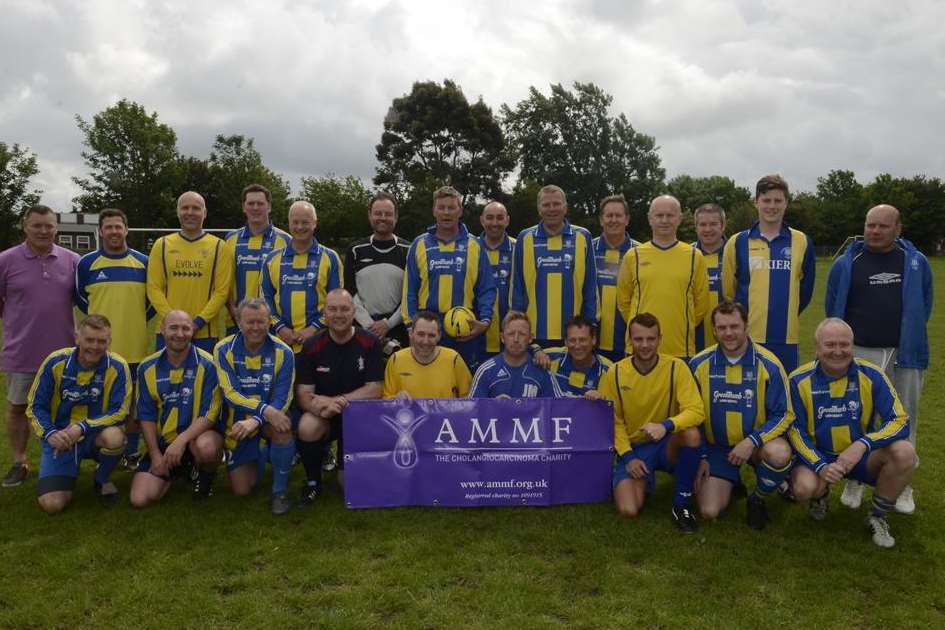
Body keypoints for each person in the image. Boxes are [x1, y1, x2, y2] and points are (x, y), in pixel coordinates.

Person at [826, 204, 931, 515]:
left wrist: (906, 336)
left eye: (882, 226)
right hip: (859, 352)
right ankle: (856, 479)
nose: (874, 231)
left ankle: (903, 484)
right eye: (870, 225)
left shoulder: (916, 262)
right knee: (856, 416)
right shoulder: (847, 262)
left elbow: (924, 304)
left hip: (904, 353)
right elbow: (833, 305)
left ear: (898, 229)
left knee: (905, 417)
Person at [788, 318, 916, 548]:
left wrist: (863, 444)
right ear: (817, 347)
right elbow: (795, 432)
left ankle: (877, 516)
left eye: (844, 344)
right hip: (819, 457)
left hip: (861, 457)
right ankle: (820, 497)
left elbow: (899, 420)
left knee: (905, 453)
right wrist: (820, 465)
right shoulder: (798, 380)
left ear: (852, 345)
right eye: (830, 345)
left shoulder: (872, 374)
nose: (838, 351)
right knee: (803, 488)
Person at [689, 302, 794, 530]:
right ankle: (731, 479)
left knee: (780, 454)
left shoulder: (770, 364)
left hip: (756, 444)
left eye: (734, 326)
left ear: (746, 326)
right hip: (718, 448)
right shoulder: (698, 365)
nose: (728, 333)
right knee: (708, 511)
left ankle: (758, 498)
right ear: (714, 331)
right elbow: (690, 416)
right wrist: (702, 455)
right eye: (722, 327)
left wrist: (752, 441)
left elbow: (785, 414)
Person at [598, 313, 705, 532]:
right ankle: (644, 480)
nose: (645, 345)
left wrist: (665, 425)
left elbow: (696, 410)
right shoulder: (615, 373)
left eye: (651, 339)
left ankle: (681, 505)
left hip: (667, 443)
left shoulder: (677, 368)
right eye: (639, 339)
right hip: (635, 449)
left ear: (660, 339)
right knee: (628, 510)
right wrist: (627, 457)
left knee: (692, 434)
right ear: (630, 340)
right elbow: (611, 420)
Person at [0, 204, 79, 487]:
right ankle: (20, 461)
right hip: (22, 351)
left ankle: (64, 457)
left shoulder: (72, 260)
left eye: (49, 225)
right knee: (18, 407)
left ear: (56, 228)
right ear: (25, 227)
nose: (44, 231)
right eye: (37, 225)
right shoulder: (6, 260)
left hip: (65, 354)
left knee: (65, 408)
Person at [26, 315, 131, 512]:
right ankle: (65, 469)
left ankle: (102, 479)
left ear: (109, 341)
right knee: (53, 505)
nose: (95, 346)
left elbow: (120, 411)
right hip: (61, 438)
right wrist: (50, 434)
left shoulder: (117, 366)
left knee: (115, 437)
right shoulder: (55, 361)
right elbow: (35, 405)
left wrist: (81, 428)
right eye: (89, 340)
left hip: (94, 435)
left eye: (102, 341)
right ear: (77, 338)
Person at [75, 208, 153, 469]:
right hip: (99, 351)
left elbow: (151, 303)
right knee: (101, 403)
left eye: (118, 227)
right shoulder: (87, 264)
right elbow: (82, 300)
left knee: (133, 407)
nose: (113, 232)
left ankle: (130, 452)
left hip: (135, 348)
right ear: (100, 231)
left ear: (126, 230)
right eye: (108, 227)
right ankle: (105, 452)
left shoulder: (143, 262)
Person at [294, 289, 384, 505]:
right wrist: (321, 408)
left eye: (344, 309)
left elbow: (375, 389)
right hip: (325, 414)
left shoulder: (370, 342)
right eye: (332, 309)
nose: (338, 314)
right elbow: (304, 395)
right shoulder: (311, 346)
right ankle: (313, 482)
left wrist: (340, 400)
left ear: (353, 312)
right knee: (307, 426)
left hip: (358, 417)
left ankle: (347, 466)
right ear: (324, 313)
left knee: (348, 484)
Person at [722, 175, 815, 373]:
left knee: (783, 396)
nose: (772, 206)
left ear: (786, 203)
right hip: (746, 337)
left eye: (778, 200)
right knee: (749, 396)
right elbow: (729, 291)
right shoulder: (737, 242)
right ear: (756, 202)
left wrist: (785, 311)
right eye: (766, 200)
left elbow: (805, 292)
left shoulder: (802, 241)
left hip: (786, 339)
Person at [129, 310, 222, 507]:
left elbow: (209, 414)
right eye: (173, 328)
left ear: (192, 332)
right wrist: (155, 455)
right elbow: (146, 416)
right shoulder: (146, 368)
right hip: (164, 443)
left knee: (208, 447)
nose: (179, 334)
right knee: (140, 499)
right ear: (162, 329)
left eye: (185, 328)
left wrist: (181, 441)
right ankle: (178, 471)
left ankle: (203, 477)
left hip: (195, 438)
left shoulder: (209, 365)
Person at [214, 298, 296, 515]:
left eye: (261, 322)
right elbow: (230, 393)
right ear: (239, 322)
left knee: (283, 427)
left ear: (269, 322)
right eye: (250, 322)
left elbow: (282, 397)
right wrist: (263, 411)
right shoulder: (223, 349)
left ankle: (279, 491)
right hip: (237, 425)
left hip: (265, 420)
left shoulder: (284, 352)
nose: (256, 328)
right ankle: (264, 452)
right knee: (242, 490)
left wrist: (258, 419)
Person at [402, 186, 496, 370]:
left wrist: (484, 322)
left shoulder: (475, 245)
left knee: (464, 384)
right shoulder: (419, 244)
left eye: (451, 207)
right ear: (434, 210)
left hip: (465, 328)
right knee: (429, 382)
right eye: (441, 207)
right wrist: (410, 326)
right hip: (428, 326)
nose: (446, 212)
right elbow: (409, 290)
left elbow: (486, 288)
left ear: (460, 211)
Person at [616, 195, 709, 360]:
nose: (664, 220)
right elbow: (624, 302)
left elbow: (701, 305)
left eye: (670, 215)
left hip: (681, 349)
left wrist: (681, 325)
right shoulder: (634, 255)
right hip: (639, 349)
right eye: (659, 215)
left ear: (679, 219)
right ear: (650, 219)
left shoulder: (695, 256)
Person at [510, 185, 598, 348]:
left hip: (575, 335)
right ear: (539, 209)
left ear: (565, 207)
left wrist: (591, 325)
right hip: (534, 334)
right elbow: (517, 288)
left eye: (556, 204)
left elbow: (590, 287)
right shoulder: (525, 238)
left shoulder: (582, 236)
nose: (552, 209)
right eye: (546, 205)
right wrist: (517, 328)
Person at [147, 191, 232, 353]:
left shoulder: (220, 247)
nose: (190, 212)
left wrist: (197, 322)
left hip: (205, 332)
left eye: (196, 208)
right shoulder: (162, 245)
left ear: (205, 213)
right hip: (167, 331)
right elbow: (153, 288)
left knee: (204, 378)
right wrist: (174, 322)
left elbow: (221, 291)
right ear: (178, 212)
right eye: (185, 208)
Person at [261, 200, 343, 352]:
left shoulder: (330, 257)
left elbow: (337, 301)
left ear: (315, 223)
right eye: (295, 222)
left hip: (320, 340)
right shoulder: (272, 259)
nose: (299, 227)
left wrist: (313, 328)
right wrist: (280, 327)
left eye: (305, 222)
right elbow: (265, 298)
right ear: (289, 223)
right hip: (281, 341)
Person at [344, 191, 410, 348]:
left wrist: (388, 324)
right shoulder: (355, 250)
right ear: (369, 215)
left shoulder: (409, 250)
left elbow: (411, 294)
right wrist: (369, 325)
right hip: (363, 329)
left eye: (388, 214)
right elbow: (349, 291)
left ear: (396, 216)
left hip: (398, 330)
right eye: (378, 213)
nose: (382, 218)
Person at [224, 184, 291, 334]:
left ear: (269, 207)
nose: (255, 208)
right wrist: (232, 309)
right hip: (237, 320)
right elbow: (224, 280)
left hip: (273, 322)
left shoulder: (285, 240)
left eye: (260, 203)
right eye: (251, 203)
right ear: (243, 207)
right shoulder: (230, 239)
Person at [469, 311, 564, 399]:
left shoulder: (542, 371)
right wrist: (493, 406)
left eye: (522, 334)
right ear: (502, 337)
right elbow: (472, 410)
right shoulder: (486, 371)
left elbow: (559, 408)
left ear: (530, 338)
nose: (516, 339)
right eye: (511, 334)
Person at [383, 310, 472, 399]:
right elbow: (385, 401)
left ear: (439, 336)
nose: (426, 341)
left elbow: (470, 398)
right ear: (411, 334)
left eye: (431, 335)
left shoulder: (453, 359)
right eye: (421, 334)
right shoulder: (396, 360)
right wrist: (396, 399)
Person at [593, 194, 640, 362]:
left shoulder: (640, 253)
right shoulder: (587, 249)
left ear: (627, 219)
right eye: (609, 215)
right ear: (601, 219)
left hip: (629, 342)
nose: (613, 220)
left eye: (618, 215)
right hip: (591, 343)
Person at [478, 201, 516, 360]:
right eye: (490, 218)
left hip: (511, 337)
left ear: (507, 220)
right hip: (476, 336)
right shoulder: (470, 248)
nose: (494, 223)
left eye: (499, 218)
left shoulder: (519, 248)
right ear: (482, 220)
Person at [544, 316, 613, 397]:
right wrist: (537, 351)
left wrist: (601, 401)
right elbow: (527, 352)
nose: (577, 346)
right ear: (565, 342)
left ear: (593, 340)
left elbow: (613, 406)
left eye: (582, 340)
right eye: (572, 340)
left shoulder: (608, 370)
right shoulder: (551, 357)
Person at [693, 203, 727, 352]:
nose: (707, 229)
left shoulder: (736, 253)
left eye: (713, 224)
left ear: (723, 225)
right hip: (692, 338)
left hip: (729, 336)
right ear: (696, 227)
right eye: (702, 224)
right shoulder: (686, 254)